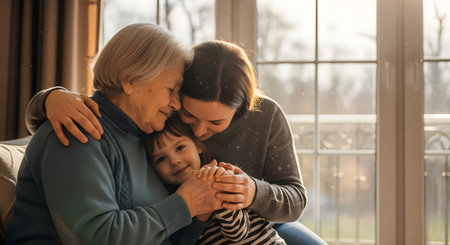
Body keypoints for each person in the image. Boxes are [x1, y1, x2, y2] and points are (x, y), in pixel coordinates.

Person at [23, 40, 327, 244]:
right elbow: (110, 109)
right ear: (178, 92)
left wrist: (253, 192)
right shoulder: (164, 115)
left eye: (217, 123)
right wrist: (49, 99)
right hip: (194, 234)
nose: (201, 131)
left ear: (243, 107)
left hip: (264, 227)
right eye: (192, 118)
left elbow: (295, 200)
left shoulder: (266, 116)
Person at [6, 23, 223, 244]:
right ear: (130, 81)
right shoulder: (78, 130)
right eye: (170, 90)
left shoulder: (145, 136)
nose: (176, 104)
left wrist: (200, 209)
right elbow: (99, 237)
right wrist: (185, 203)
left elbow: (161, 235)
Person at [144, 114, 286, 245]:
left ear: (198, 146)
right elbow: (182, 242)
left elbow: (239, 233)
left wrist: (219, 194)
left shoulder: (223, 177)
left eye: (180, 148)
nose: (174, 161)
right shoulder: (171, 203)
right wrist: (200, 213)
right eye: (161, 159)